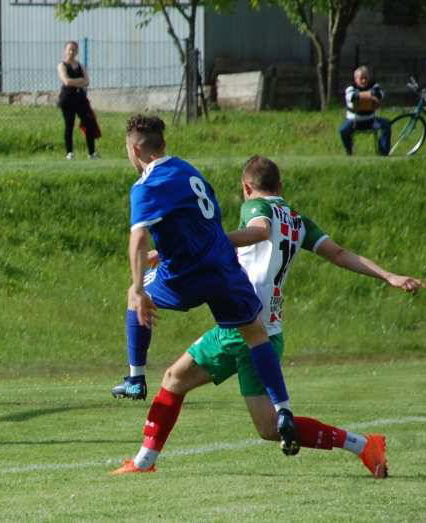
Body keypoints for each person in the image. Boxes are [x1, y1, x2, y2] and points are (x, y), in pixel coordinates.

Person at [112, 155, 425, 476]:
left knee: (187, 386)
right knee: (195, 390)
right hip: (267, 327)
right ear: (281, 185)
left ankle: (362, 445)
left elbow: (259, 231)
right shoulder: (297, 219)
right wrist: (388, 275)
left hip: (243, 326)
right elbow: (340, 254)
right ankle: (144, 461)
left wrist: (209, 245)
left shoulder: (255, 208)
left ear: (247, 187)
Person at [111, 115, 300, 456]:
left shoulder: (146, 184)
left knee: (133, 294)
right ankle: (283, 407)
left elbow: (137, 237)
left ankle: (135, 377)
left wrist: (140, 288)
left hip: (184, 275)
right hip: (224, 269)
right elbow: (206, 219)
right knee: (256, 334)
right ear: (163, 145)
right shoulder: (188, 170)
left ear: (136, 149)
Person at [57, 40, 100, 160]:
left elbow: (87, 81)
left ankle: (92, 153)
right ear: (65, 51)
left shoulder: (80, 65)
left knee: (89, 123)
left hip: (81, 98)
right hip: (67, 99)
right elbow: (66, 81)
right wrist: (80, 81)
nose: (71, 52)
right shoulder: (62, 65)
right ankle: (69, 152)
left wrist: (78, 82)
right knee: (69, 125)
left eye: (74, 50)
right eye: (69, 49)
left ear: (77, 51)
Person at [339, 66, 391, 155]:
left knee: (386, 125)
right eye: (361, 78)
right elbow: (352, 97)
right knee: (343, 130)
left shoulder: (374, 85)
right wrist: (371, 95)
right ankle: (349, 151)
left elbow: (380, 94)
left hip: (371, 120)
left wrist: (364, 95)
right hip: (354, 122)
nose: (364, 81)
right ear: (355, 79)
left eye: (365, 78)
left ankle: (383, 152)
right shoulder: (350, 88)